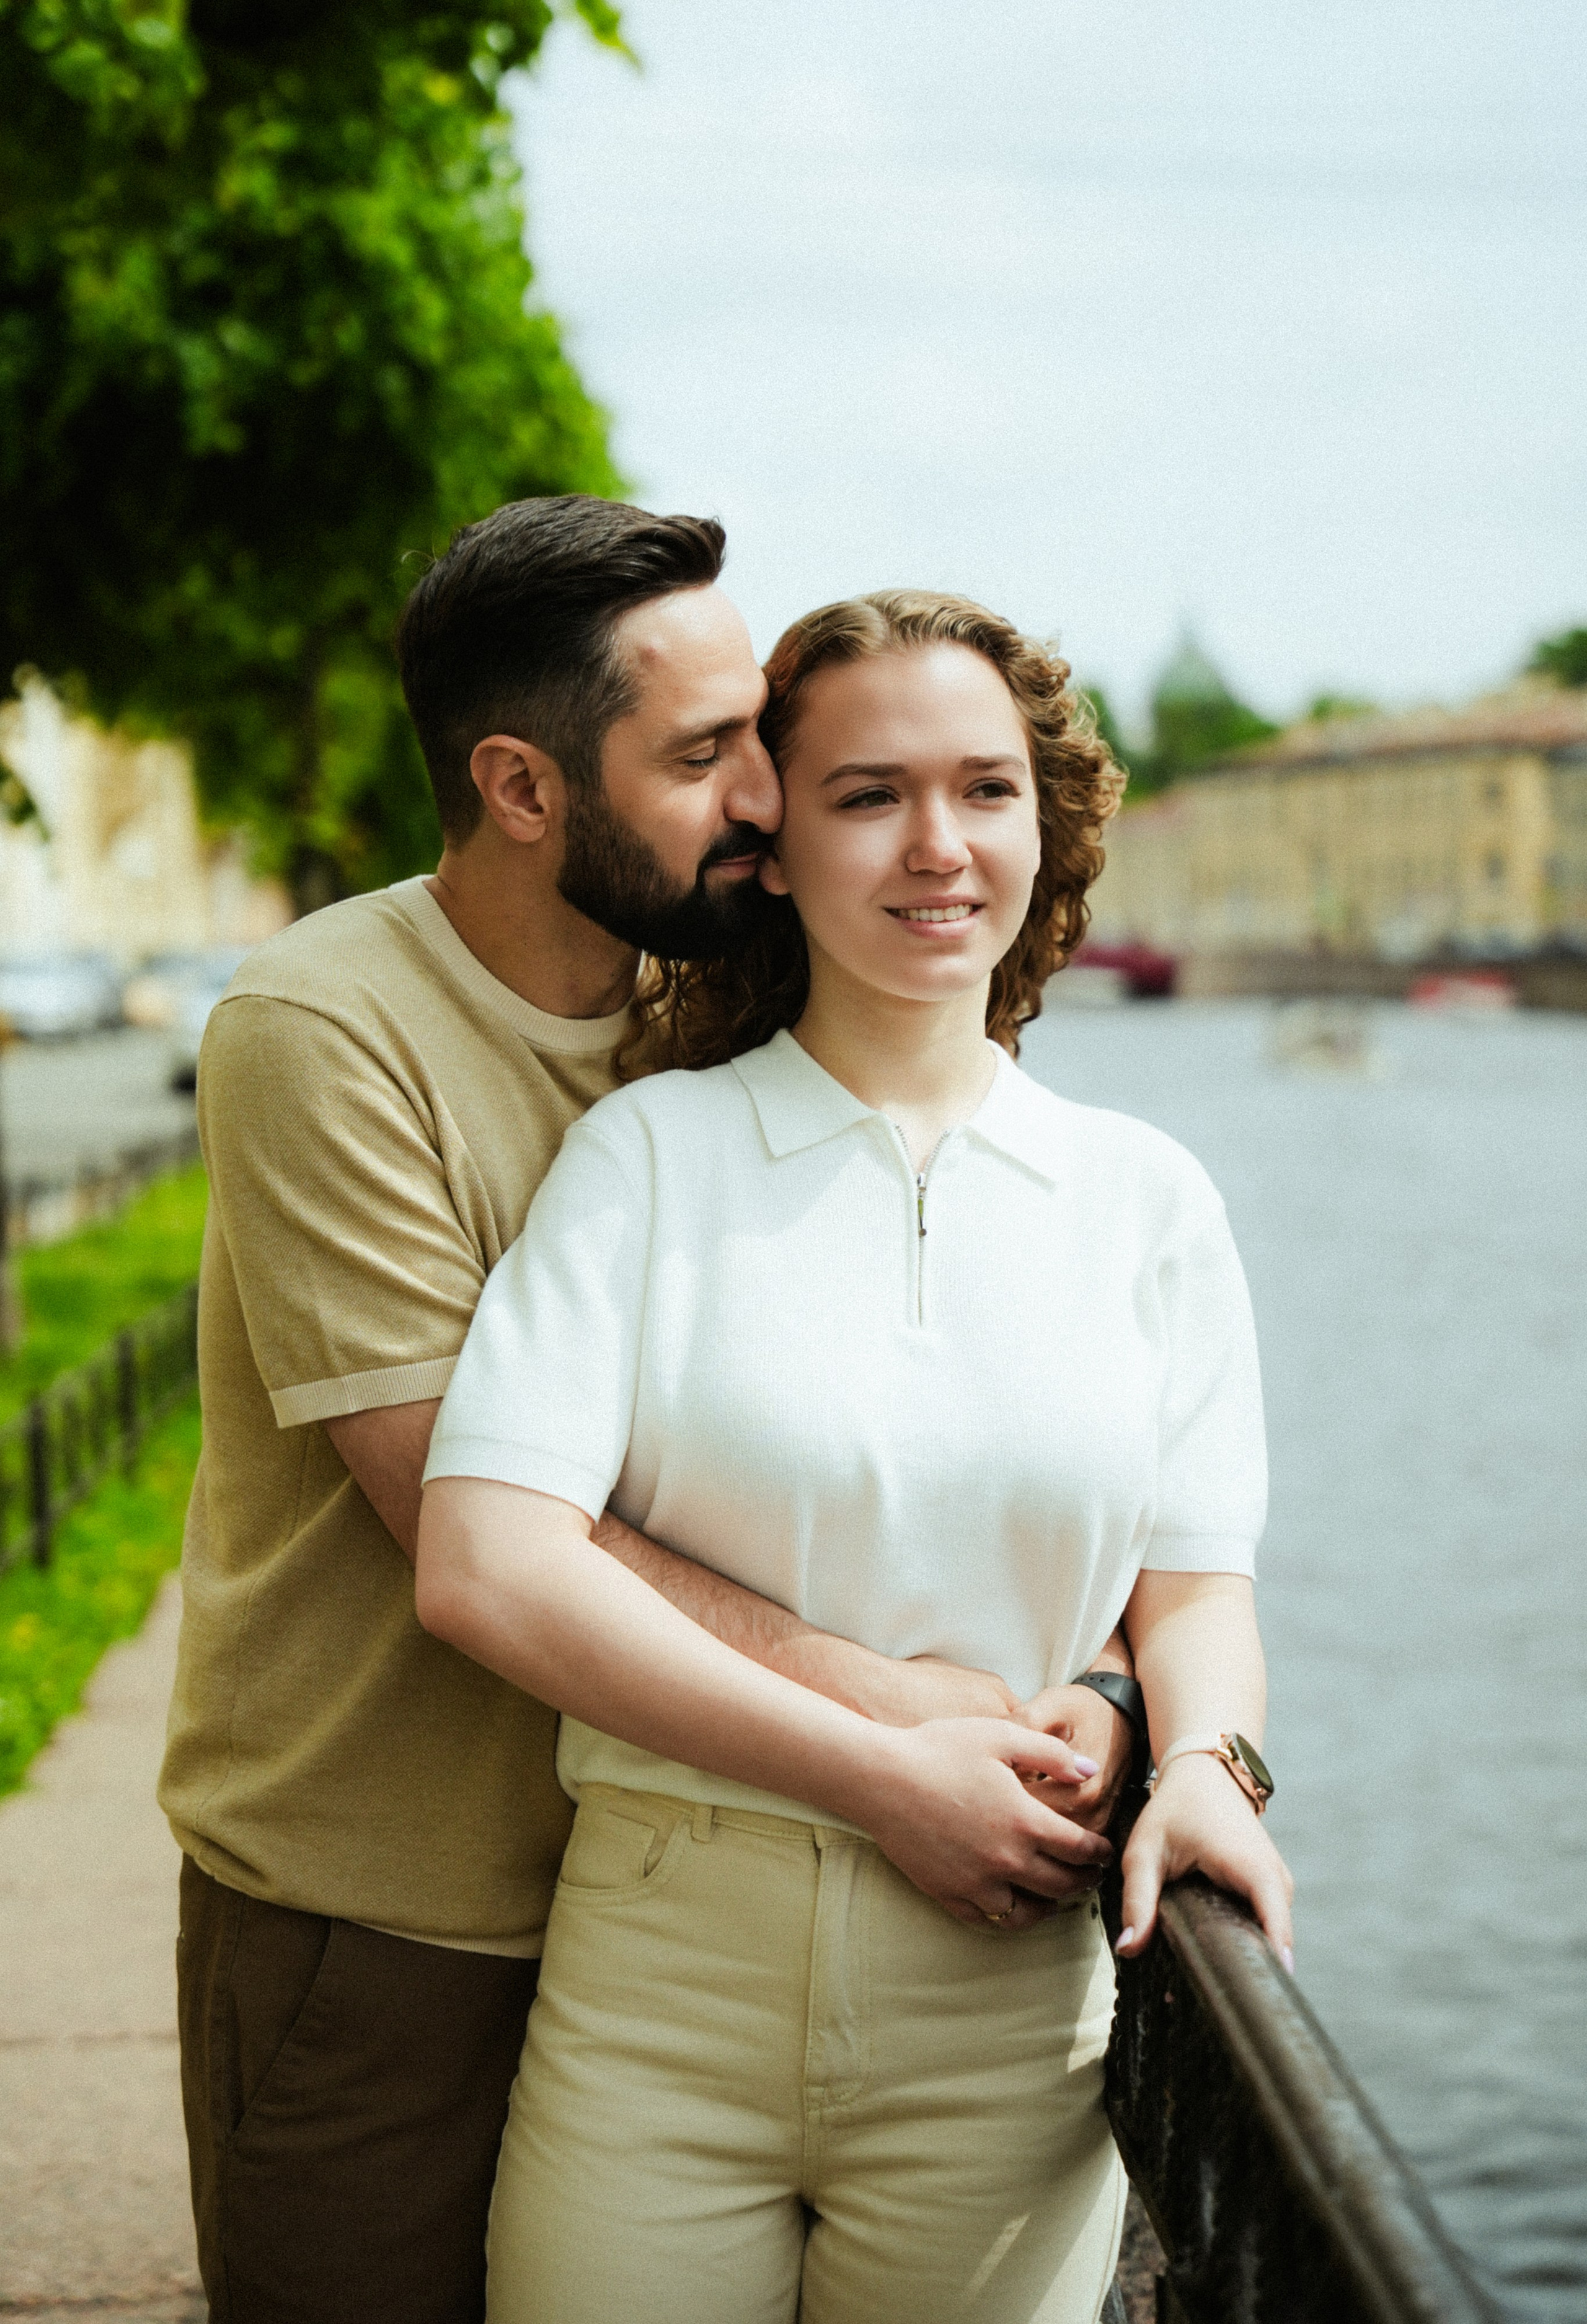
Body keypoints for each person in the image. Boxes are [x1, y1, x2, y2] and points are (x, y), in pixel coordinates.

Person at [159, 501, 1136, 2324]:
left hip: (676, 1901)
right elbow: (461, 1511)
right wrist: (892, 1701)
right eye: (704, 758)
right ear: (524, 790)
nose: (766, 798)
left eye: (759, 741)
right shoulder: (322, 1028)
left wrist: (1137, 1697)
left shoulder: (708, 993)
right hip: (388, 1917)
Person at [417, 589, 1294, 2324]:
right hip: (660, 1994)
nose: (936, 847)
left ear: (1046, 828)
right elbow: (484, 1563)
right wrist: (878, 1775)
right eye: (868, 793)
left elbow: (1194, 1589)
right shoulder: (650, 1160)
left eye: (984, 790)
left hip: (1011, 2015)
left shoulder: (1149, 1205)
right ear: (778, 840)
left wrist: (1206, 1762)